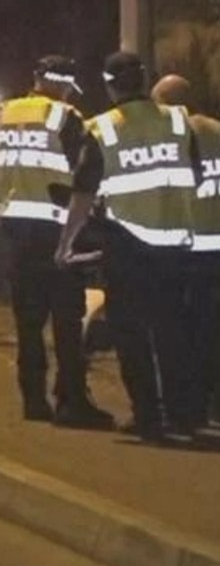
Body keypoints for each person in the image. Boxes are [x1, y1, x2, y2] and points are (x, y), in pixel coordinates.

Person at [56, 51, 201, 442]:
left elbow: (83, 192)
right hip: (176, 243)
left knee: (132, 335)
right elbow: (196, 173)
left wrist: (67, 243)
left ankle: (149, 418)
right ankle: (183, 415)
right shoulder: (177, 119)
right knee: (173, 332)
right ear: (143, 80)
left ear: (109, 84)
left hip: (128, 245)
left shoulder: (104, 128)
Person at [0, 55, 114, 427]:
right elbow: (85, 176)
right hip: (59, 232)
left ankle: (33, 400)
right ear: (64, 85)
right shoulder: (66, 116)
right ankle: (71, 401)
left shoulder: (4, 113)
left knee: (28, 322)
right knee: (67, 319)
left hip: (14, 231)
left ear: (36, 77)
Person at [151, 73, 220, 425]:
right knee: (219, 330)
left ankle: (188, 406)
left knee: (182, 331)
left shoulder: (171, 135)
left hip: (185, 246)